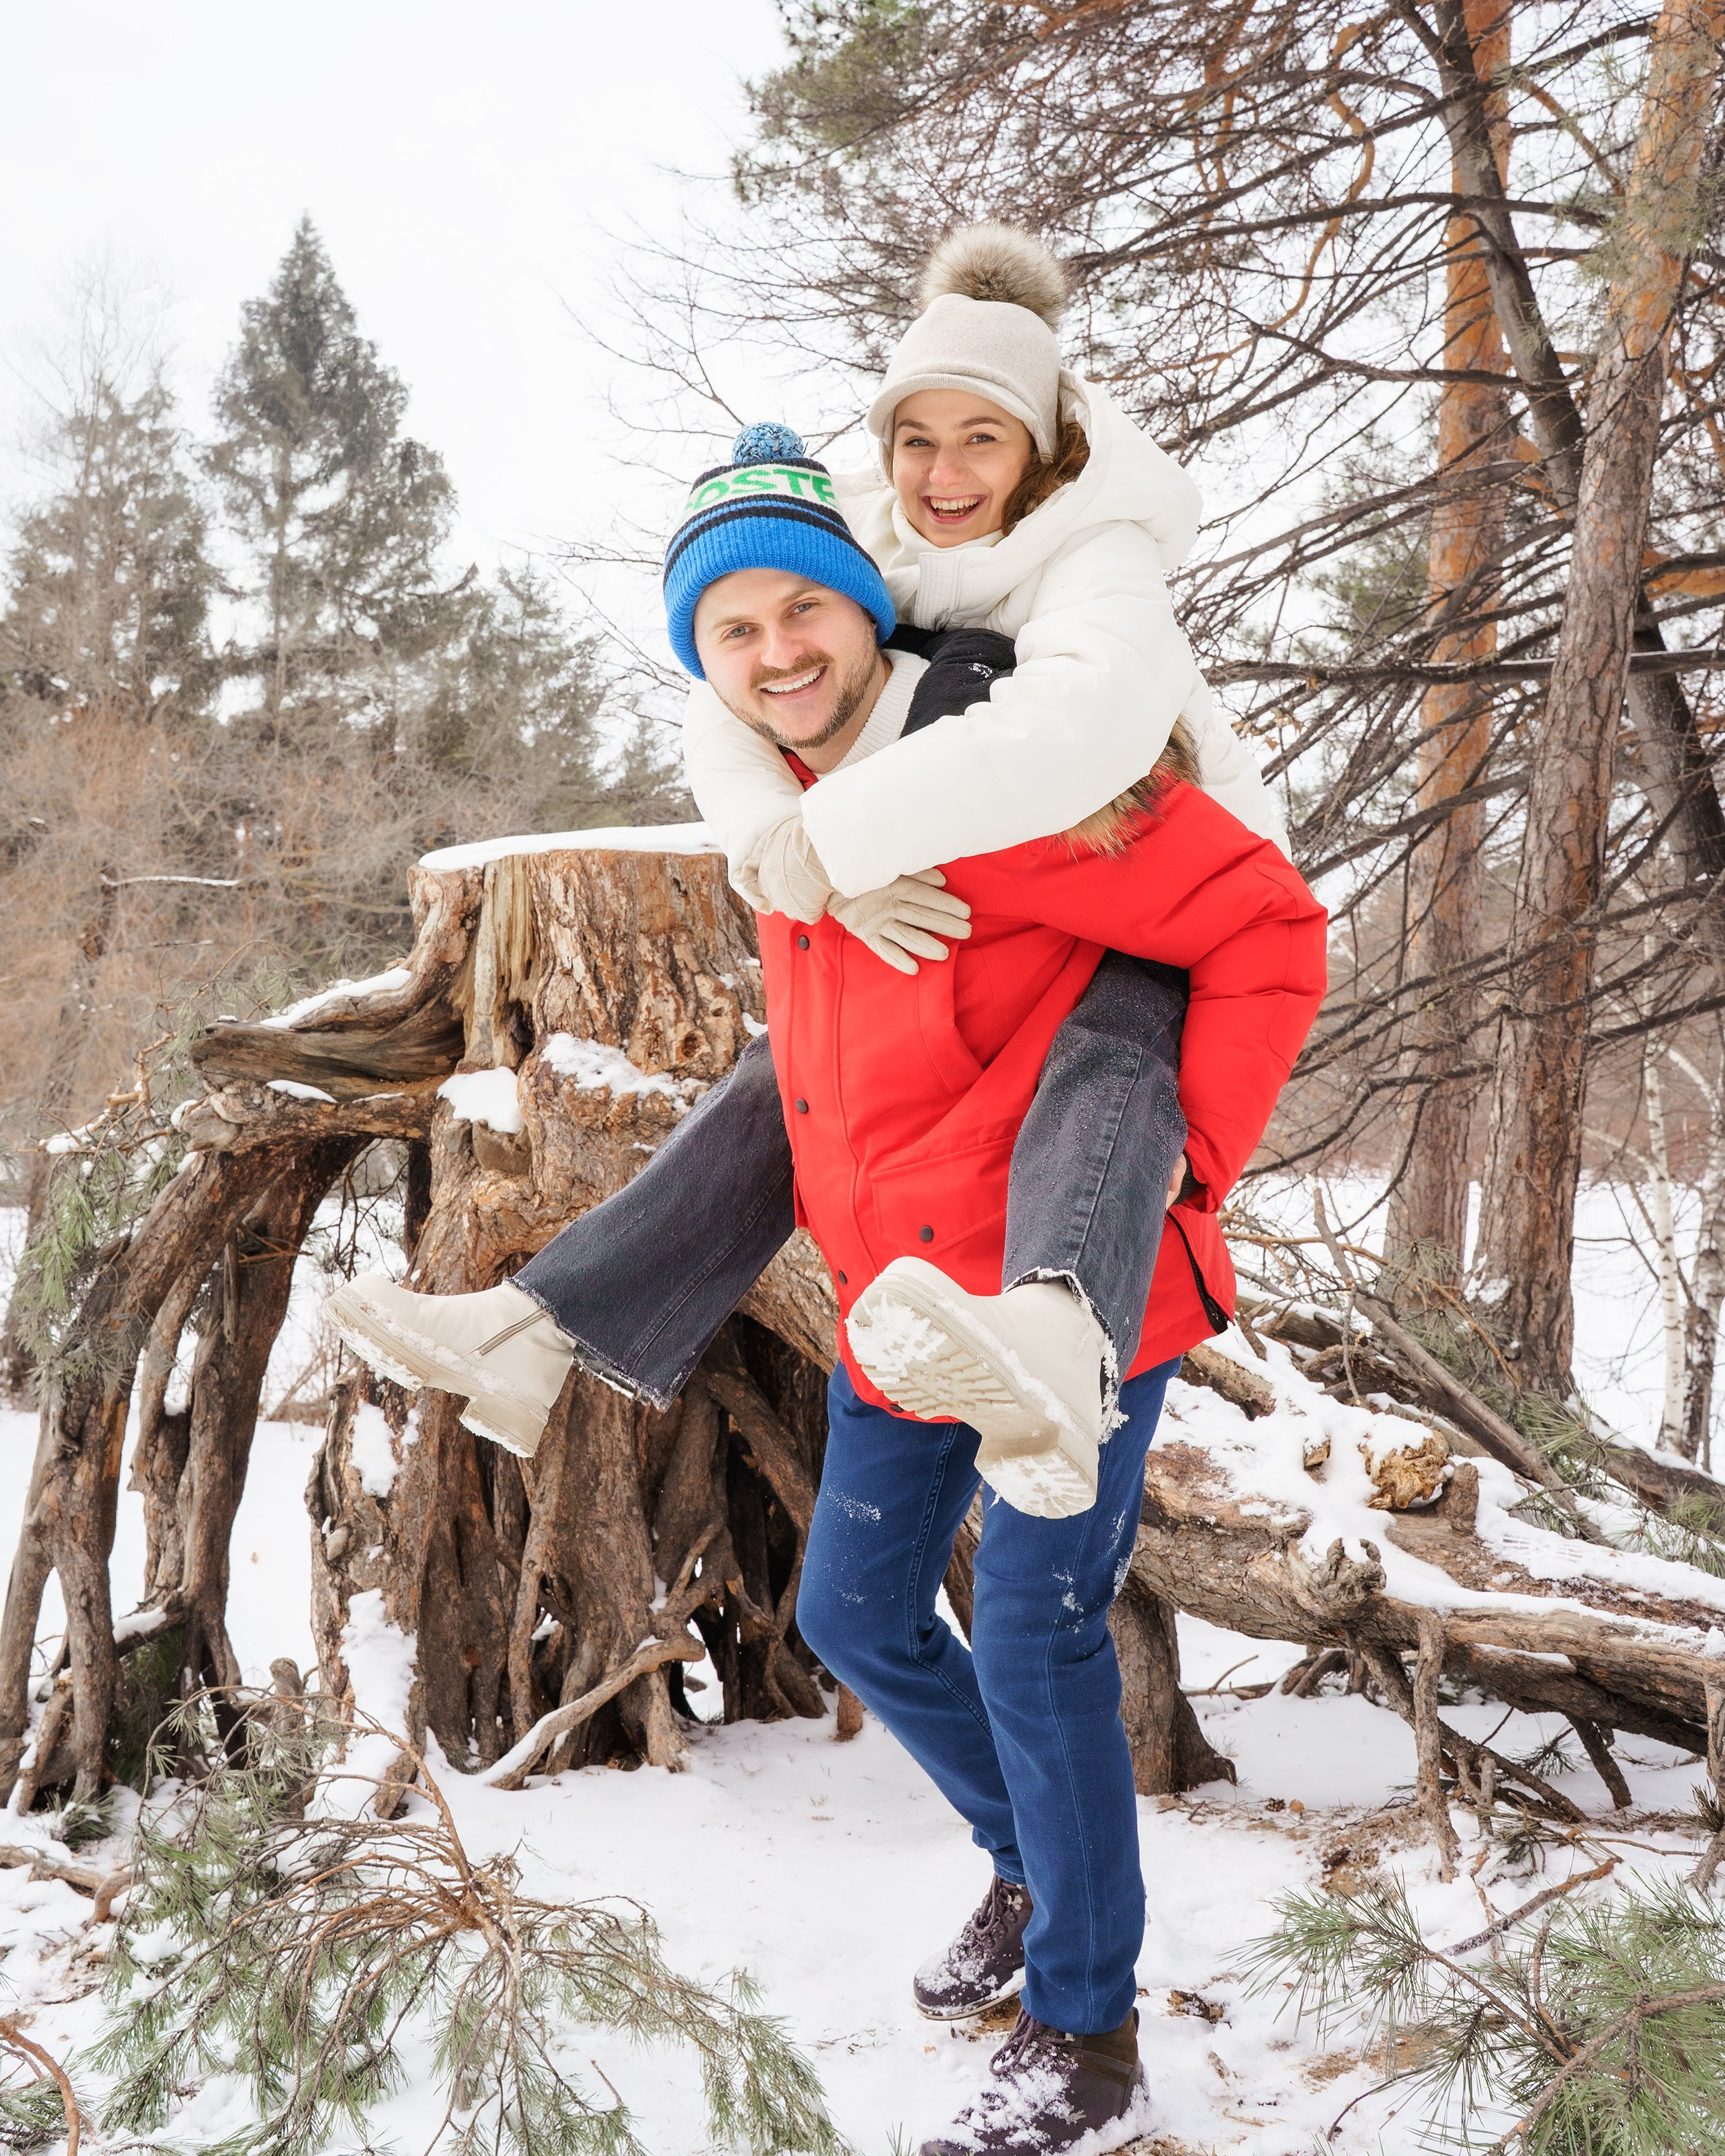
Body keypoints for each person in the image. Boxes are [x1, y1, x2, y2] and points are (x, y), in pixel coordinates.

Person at [331, 508, 1327, 2153]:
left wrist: (1186, 1175)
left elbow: (1268, 932)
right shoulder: (794, 819)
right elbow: (818, 1079)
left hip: (1062, 1311)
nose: (779, 649)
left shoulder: (1009, 766)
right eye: (734, 630)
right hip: (900, 1307)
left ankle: (1085, 2028)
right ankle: (1034, 1861)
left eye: (809, 608)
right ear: (702, 668)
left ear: (870, 617)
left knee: (1029, 1632)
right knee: (858, 1615)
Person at [326, 221, 1290, 1514]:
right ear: (887, 443)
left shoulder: (1099, 547)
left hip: (1158, 861)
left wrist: (830, 843)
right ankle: (539, 1331)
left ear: (1046, 443)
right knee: (796, 1071)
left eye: (983, 439)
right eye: (918, 439)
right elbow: (733, 684)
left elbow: (1077, 735)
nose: (946, 472)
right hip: (993, 818)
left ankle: (1067, 1339)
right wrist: (786, 857)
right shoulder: (881, 534)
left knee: (1113, 1045)